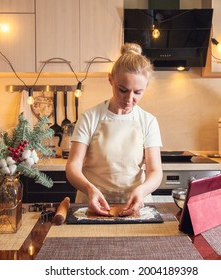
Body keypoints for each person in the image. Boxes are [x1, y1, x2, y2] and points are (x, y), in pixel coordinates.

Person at [66, 43, 162, 217]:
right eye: (123, 90)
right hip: (92, 205)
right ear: (110, 79)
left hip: (135, 206)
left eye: (138, 92)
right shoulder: (90, 117)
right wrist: (89, 189)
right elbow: (73, 166)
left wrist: (142, 191)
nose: (129, 99)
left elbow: (155, 171)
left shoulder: (148, 121)